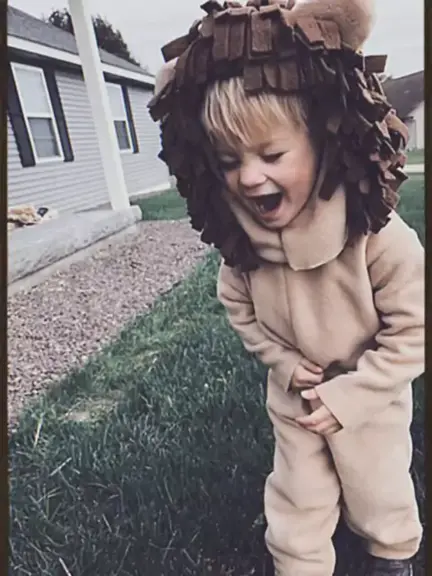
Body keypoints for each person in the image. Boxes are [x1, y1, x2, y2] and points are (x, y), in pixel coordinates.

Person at [148, 1, 424, 574]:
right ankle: (299, 562)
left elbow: (416, 330)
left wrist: (352, 396)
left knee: (378, 486)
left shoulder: (375, 236)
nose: (250, 177)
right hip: (296, 396)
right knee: (298, 491)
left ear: (325, 142)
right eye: (230, 161)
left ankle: (392, 553)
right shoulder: (242, 248)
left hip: (369, 397)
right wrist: (283, 362)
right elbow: (240, 310)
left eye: (271, 154)